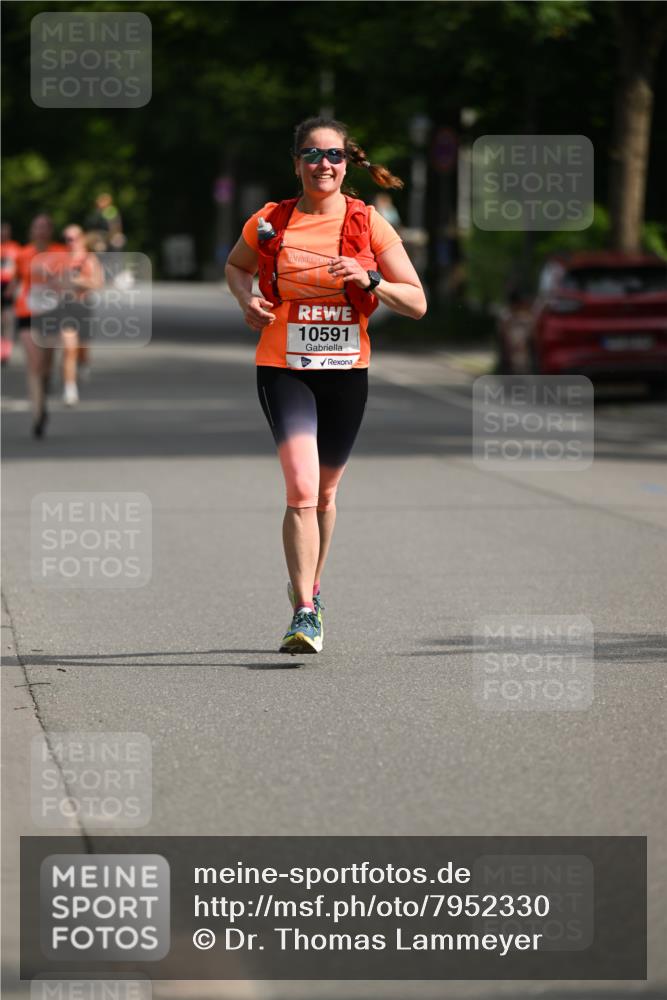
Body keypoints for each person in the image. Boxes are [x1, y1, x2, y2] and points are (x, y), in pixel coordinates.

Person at [225, 116, 426, 654]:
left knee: (327, 494)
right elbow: (237, 266)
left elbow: (417, 302)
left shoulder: (368, 223)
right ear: (296, 163)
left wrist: (371, 280)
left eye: (334, 155)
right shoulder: (270, 221)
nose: (324, 165)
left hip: (345, 371)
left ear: (346, 162)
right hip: (283, 367)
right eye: (312, 155)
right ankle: (305, 613)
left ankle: (309, 583)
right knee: (301, 490)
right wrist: (247, 301)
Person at [14, 215, 65, 437]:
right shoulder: (23, 254)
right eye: (37, 227)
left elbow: (68, 280)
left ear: (50, 230)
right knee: (34, 364)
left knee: (46, 363)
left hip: (52, 313)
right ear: (31, 231)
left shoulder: (61, 253)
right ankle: (37, 414)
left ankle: (43, 395)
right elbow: (17, 280)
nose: (41, 231)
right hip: (27, 312)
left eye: (45, 227)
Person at [58, 224, 104, 405]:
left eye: (73, 238)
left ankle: (84, 365)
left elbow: (98, 283)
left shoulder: (89, 258)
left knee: (81, 350)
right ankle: (70, 390)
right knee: (69, 349)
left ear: (81, 238)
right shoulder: (59, 258)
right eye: (66, 239)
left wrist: (78, 281)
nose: (70, 242)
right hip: (65, 307)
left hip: (83, 306)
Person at [1, 222, 22, 364]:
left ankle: (7, 348)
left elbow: (19, 271)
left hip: (9, 285)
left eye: (5, 232)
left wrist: (14, 287)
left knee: (8, 318)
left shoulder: (15, 248)